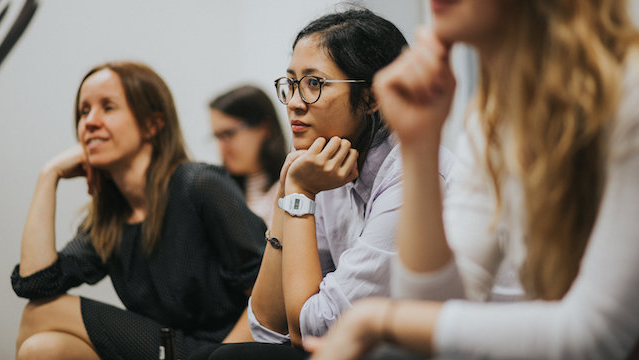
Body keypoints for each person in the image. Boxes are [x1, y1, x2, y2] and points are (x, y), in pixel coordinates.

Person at [305, 0, 639, 359]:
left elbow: (598, 335)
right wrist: (419, 143)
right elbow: (434, 304)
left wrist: (380, 320)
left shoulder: (629, 94)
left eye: (312, 83)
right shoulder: (492, 118)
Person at [190, 8, 454, 360]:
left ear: (372, 98)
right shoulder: (328, 166)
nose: (295, 103)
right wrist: (290, 188)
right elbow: (267, 324)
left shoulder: (412, 177)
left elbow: (312, 329)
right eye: (292, 84)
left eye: (314, 84)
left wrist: (299, 194)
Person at [11, 61, 266, 360]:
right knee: (40, 349)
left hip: (222, 352)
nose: (90, 122)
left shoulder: (198, 184)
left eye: (108, 107)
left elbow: (266, 293)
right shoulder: (109, 220)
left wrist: (222, 357)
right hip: (167, 350)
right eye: (84, 111)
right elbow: (36, 283)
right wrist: (48, 176)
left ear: (152, 124)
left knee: (42, 314)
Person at [209, 85, 287, 226]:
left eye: (228, 134)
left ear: (264, 127)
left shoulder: (292, 188)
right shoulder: (219, 195)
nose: (221, 148)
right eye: (217, 137)